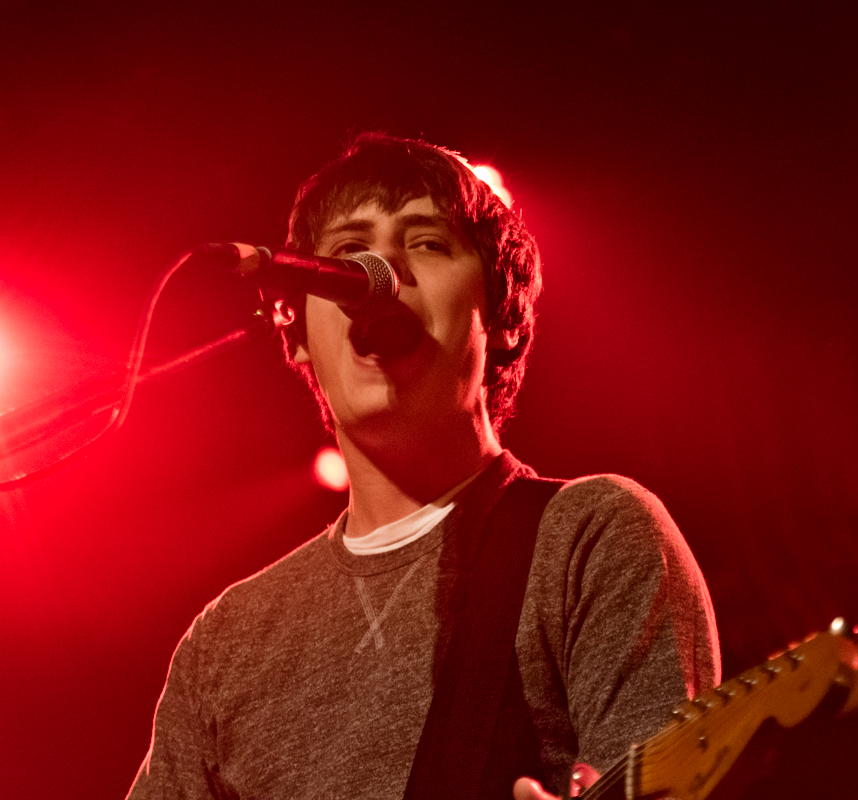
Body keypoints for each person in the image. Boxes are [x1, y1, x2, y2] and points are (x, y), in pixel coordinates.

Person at [127, 133, 720, 800]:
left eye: (428, 242)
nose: (382, 269)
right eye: (350, 251)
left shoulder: (588, 537)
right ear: (294, 333)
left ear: (500, 320)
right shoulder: (226, 640)